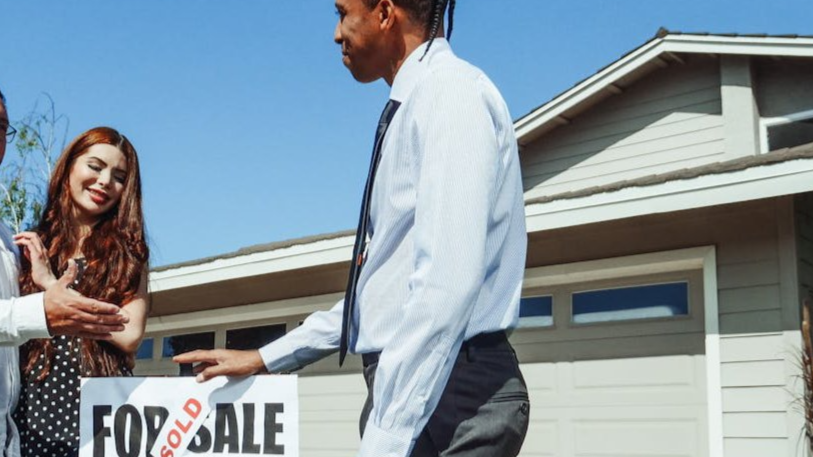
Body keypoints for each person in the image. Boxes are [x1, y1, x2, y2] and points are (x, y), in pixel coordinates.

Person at [175, 1, 529, 456]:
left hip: (452, 398)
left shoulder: (451, 94)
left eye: (342, 12)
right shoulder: (415, 104)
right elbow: (380, 297)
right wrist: (265, 358)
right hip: (425, 392)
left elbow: (445, 285)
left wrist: (385, 438)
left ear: (385, 12)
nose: (336, 33)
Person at [0, 91, 129, 457]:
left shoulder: (15, 241)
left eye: (1, 127)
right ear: (69, 165)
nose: (104, 181)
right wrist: (42, 308)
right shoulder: (32, 243)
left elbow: (131, 334)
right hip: (34, 424)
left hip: (27, 437)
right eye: (95, 165)